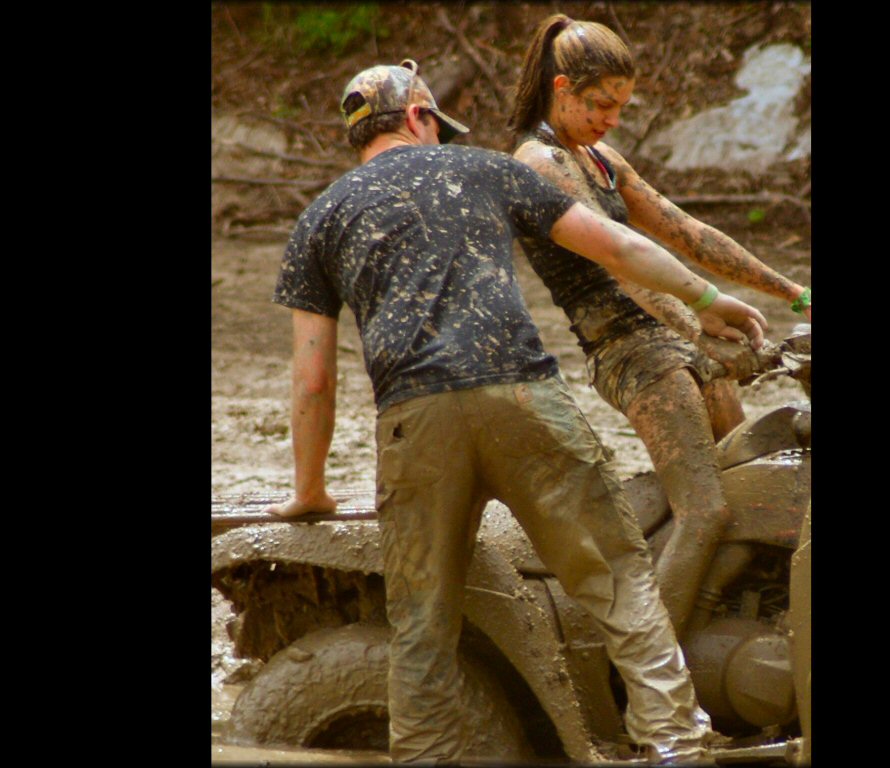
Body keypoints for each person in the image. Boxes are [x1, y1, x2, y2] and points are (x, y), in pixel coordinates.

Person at [263, 59, 767, 764]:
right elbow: (618, 246)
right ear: (418, 117)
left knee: (422, 626)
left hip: (415, 418)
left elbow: (313, 380)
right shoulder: (485, 171)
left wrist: (309, 490)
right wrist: (711, 302)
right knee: (621, 584)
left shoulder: (320, 219)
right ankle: (676, 747)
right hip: (528, 400)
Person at [508, 14, 812, 636]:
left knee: (748, 484)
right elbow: (622, 264)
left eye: (620, 106)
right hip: (630, 355)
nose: (610, 118)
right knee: (705, 511)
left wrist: (793, 291)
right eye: (599, 104)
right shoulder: (539, 163)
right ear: (560, 88)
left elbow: (689, 235)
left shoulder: (600, 158)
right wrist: (701, 326)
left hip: (674, 342)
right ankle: (653, 688)